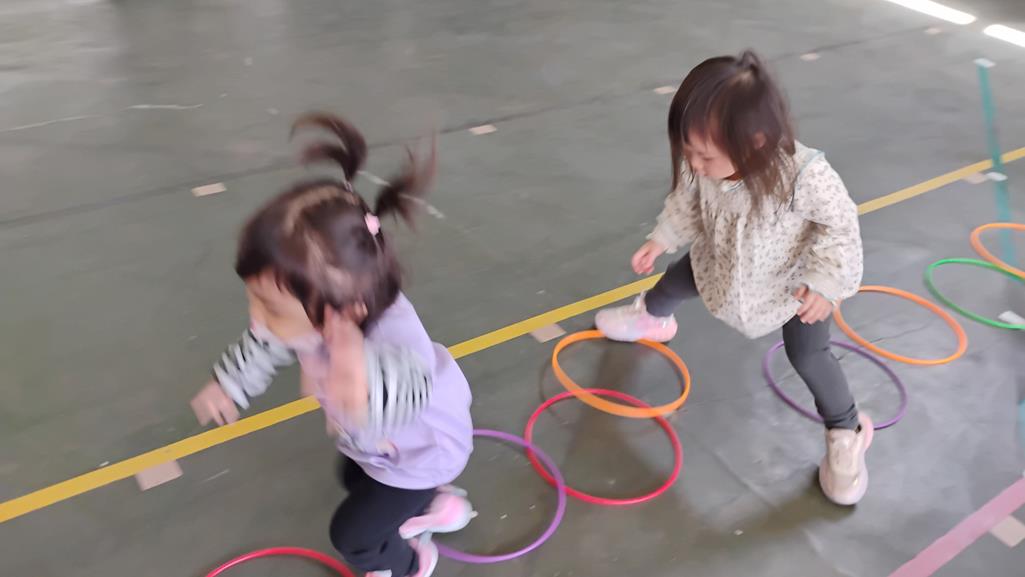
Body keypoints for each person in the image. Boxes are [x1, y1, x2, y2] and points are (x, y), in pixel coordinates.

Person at [190, 112, 474, 577]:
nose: (256, 317)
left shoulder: (397, 339)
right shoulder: (317, 306)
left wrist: (353, 374)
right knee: (350, 477)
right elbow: (265, 341)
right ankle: (435, 507)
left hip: (421, 455)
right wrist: (229, 383)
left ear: (347, 311)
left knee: (353, 537)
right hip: (376, 449)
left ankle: (409, 563)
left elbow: (409, 390)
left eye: (269, 306)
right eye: (253, 298)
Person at [595, 51, 872, 505]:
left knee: (810, 356)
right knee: (674, 282)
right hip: (718, 262)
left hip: (793, 288)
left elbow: (840, 227)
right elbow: (687, 201)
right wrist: (662, 238)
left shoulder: (804, 175)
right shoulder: (705, 163)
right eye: (688, 152)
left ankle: (846, 431)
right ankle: (651, 319)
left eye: (703, 155)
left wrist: (824, 284)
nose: (694, 164)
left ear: (755, 142)